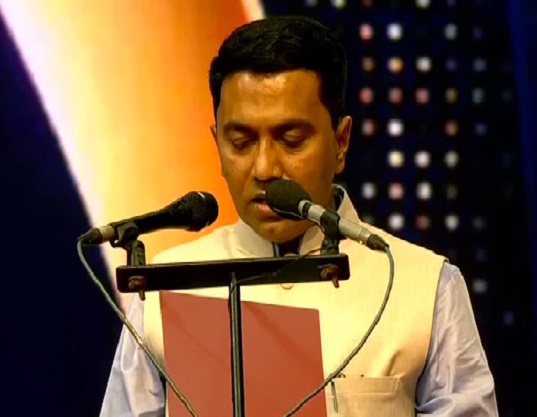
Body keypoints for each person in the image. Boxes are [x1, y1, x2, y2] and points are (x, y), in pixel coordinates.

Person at [99, 15, 498, 417]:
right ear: (217, 143)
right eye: (241, 142)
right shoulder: (164, 289)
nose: (264, 168)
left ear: (341, 142)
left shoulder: (422, 285)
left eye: (291, 140)